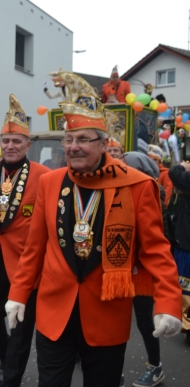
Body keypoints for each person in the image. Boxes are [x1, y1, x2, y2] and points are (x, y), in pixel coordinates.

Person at [6, 71, 182, 387]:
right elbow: (34, 247)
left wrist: (168, 303)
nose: (73, 147)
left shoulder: (137, 186)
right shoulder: (49, 183)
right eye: (69, 139)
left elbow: (156, 251)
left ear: (103, 144)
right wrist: (18, 294)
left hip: (106, 317)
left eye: (83, 139)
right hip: (54, 313)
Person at [0, 94, 51, 386]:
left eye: (17, 141)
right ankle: (6, 357)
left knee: (21, 327)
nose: (10, 146)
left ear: (28, 145)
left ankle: (11, 377)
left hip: (26, 265)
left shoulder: (44, 176)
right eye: (6, 141)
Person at [122, 151, 168, 387]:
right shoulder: (119, 190)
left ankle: (155, 366)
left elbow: (155, 239)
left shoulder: (151, 192)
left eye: (124, 164)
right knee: (116, 321)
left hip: (141, 271)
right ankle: (111, 368)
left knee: (144, 321)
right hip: (121, 269)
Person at [168, 160, 190, 347]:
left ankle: (187, 325)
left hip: (187, 246)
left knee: (185, 288)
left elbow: (174, 173)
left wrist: (183, 166)